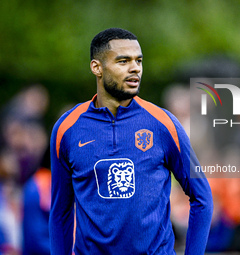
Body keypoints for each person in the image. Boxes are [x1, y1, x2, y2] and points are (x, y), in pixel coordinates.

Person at [49, 28, 213, 254]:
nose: (135, 68)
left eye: (139, 60)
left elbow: (202, 198)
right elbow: (60, 212)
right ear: (97, 67)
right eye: (123, 61)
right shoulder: (67, 129)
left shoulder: (163, 124)